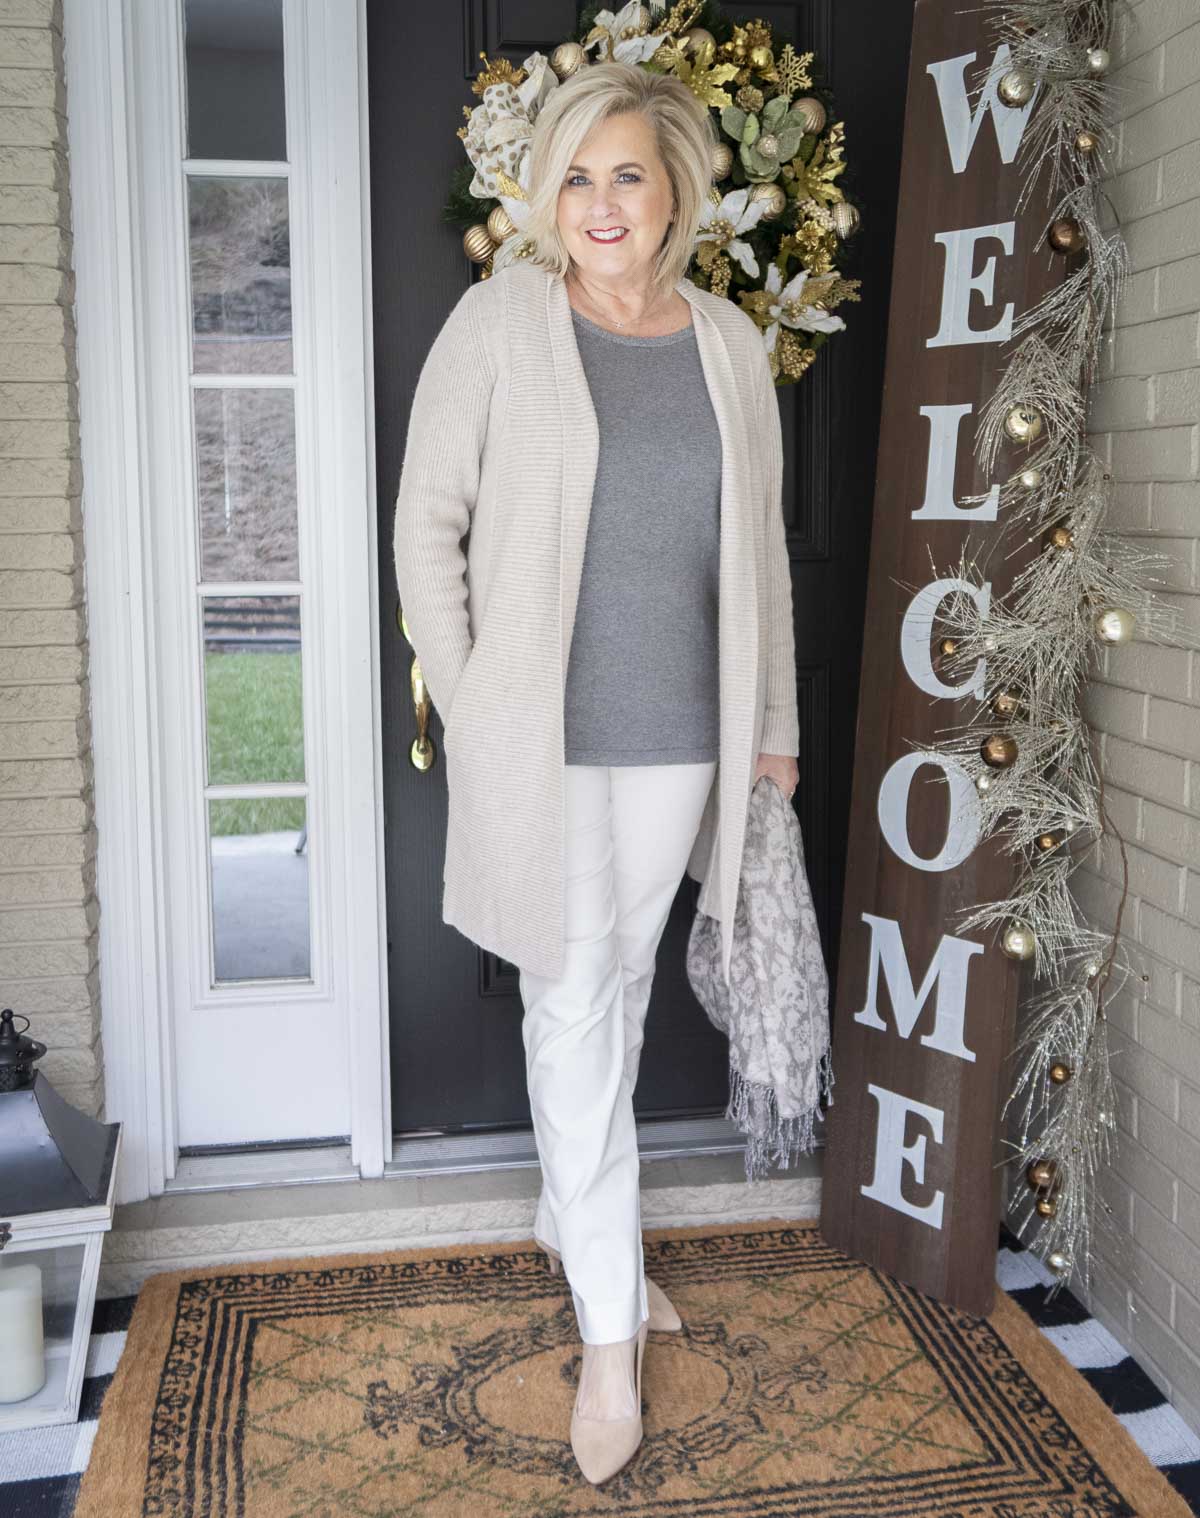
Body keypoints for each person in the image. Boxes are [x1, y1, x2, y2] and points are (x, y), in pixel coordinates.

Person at [393, 58, 799, 1485]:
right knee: (571, 997)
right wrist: (475, 693)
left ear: (674, 186)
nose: (602, 203)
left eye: (627, 172)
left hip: (685, 731)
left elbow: (759, 559)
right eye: (577, 176)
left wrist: (776, 727)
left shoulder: (728, 347)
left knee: (615, 986)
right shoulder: (498, 323)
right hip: (542, 741)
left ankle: (580, 1224)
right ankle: (611, 1338)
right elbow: (424, 527)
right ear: (546, 196)